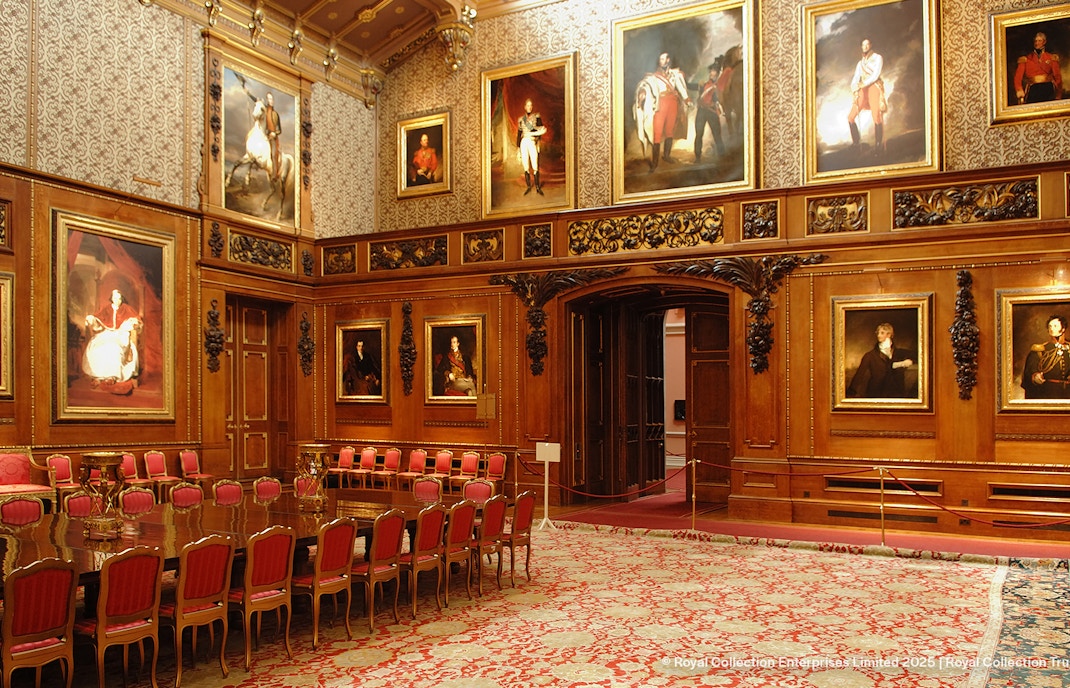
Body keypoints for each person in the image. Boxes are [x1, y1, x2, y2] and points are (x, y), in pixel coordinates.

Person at [82, 289, 143, 388]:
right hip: (107, 333)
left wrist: (133, 322)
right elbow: (97, 317)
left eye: (119, 299)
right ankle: (98, 377)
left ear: (121, 299)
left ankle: (112, 376)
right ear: (112, 299)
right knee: (97, 347)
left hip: (121, 334)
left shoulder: (126, 308)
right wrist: (91, 319)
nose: (117, 301)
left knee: (113, 347)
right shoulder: (107, 308)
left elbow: (136, 319)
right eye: (115, 298)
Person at [644, 52, 692, 172]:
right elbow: (646, 86)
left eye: (663, 58)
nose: (661, 61)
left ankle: (667, 156)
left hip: (673, 104)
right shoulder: (654, 76)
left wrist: (687, 99)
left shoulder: (674, 75)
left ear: (668, 60)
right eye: (660, 59)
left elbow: (680, 87)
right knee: (657, 132)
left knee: (670, 130)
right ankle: (654, 163)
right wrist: (642, 94)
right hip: (661, 104)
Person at [847, 322, 916, 398]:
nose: (878, 335)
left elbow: (921, 355)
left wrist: (907, 362)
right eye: (878, 333)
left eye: (882, 333)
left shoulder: (899, 353)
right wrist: (850, 393)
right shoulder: (870, 355)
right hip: (876, 393)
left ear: (889, 335)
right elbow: (859, 375)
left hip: (896, 393)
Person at [847, 38, 885, 155]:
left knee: (876, 116)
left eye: (867, 44)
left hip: (874, 87)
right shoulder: (860, 63)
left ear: (871, 45)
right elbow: (856, 77)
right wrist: (854, 87)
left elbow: (875, 75)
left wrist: (864, 83)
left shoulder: (878, 58)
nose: (865, 47)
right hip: (863, 89)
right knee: (851, 117)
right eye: (863, 45)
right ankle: (856, 143)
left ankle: (878, 146)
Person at [1021, 314, 1070, 399]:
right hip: (1049, 393)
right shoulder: (1041, 349)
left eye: (1055, 326)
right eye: (1050, 326)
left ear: (1063, 329)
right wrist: (1035, 376)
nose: (1051, 328)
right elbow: (1030, 370)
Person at [1014, 32, 1062, 104]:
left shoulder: (1051, 58)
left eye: (1039, 41)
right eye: (1035, 41)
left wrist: (1058, 94)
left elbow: (1058, 77)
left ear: (1044, 42)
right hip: (1033, 89)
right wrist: (1019, 90)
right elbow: (1017, 78)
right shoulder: (1025, 59)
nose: (1037, 43)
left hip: (1048, 88)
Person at [693, 61, 725, 163]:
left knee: (717, 135)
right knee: (699, 134)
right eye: (711, 71)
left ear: (718, 73)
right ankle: (697, 157)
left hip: (712, 112)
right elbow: (692, 87)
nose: (712, 73)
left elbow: (718, 99)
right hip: (702, 111)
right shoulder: (703, 84)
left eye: (714, 71)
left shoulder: (719, 87)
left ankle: (722, 156)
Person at [516, 99, 547, 195]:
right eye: (527, 105)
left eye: (530, 105)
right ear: (525, 107)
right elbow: (519, 134)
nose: (529, 107)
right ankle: (529, 186)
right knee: (525, 165)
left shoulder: (537, 117)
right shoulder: (521, 120)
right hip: (524, 142)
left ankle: (537, 187)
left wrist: (537, 142)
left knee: (535, 165)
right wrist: (518, 149)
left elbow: (541, 130)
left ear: (532, 107)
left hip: (532, 141)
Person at [264, 92, 282, 181]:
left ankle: (275, 175)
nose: (271, 101)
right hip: (265, 136)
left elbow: (279, 129)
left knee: (274, 153)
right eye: (269, 99)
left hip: (273, 138)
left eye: (272, 99)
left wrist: (275, 133)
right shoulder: (264, 110)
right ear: (267, 100)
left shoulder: (276, 114)